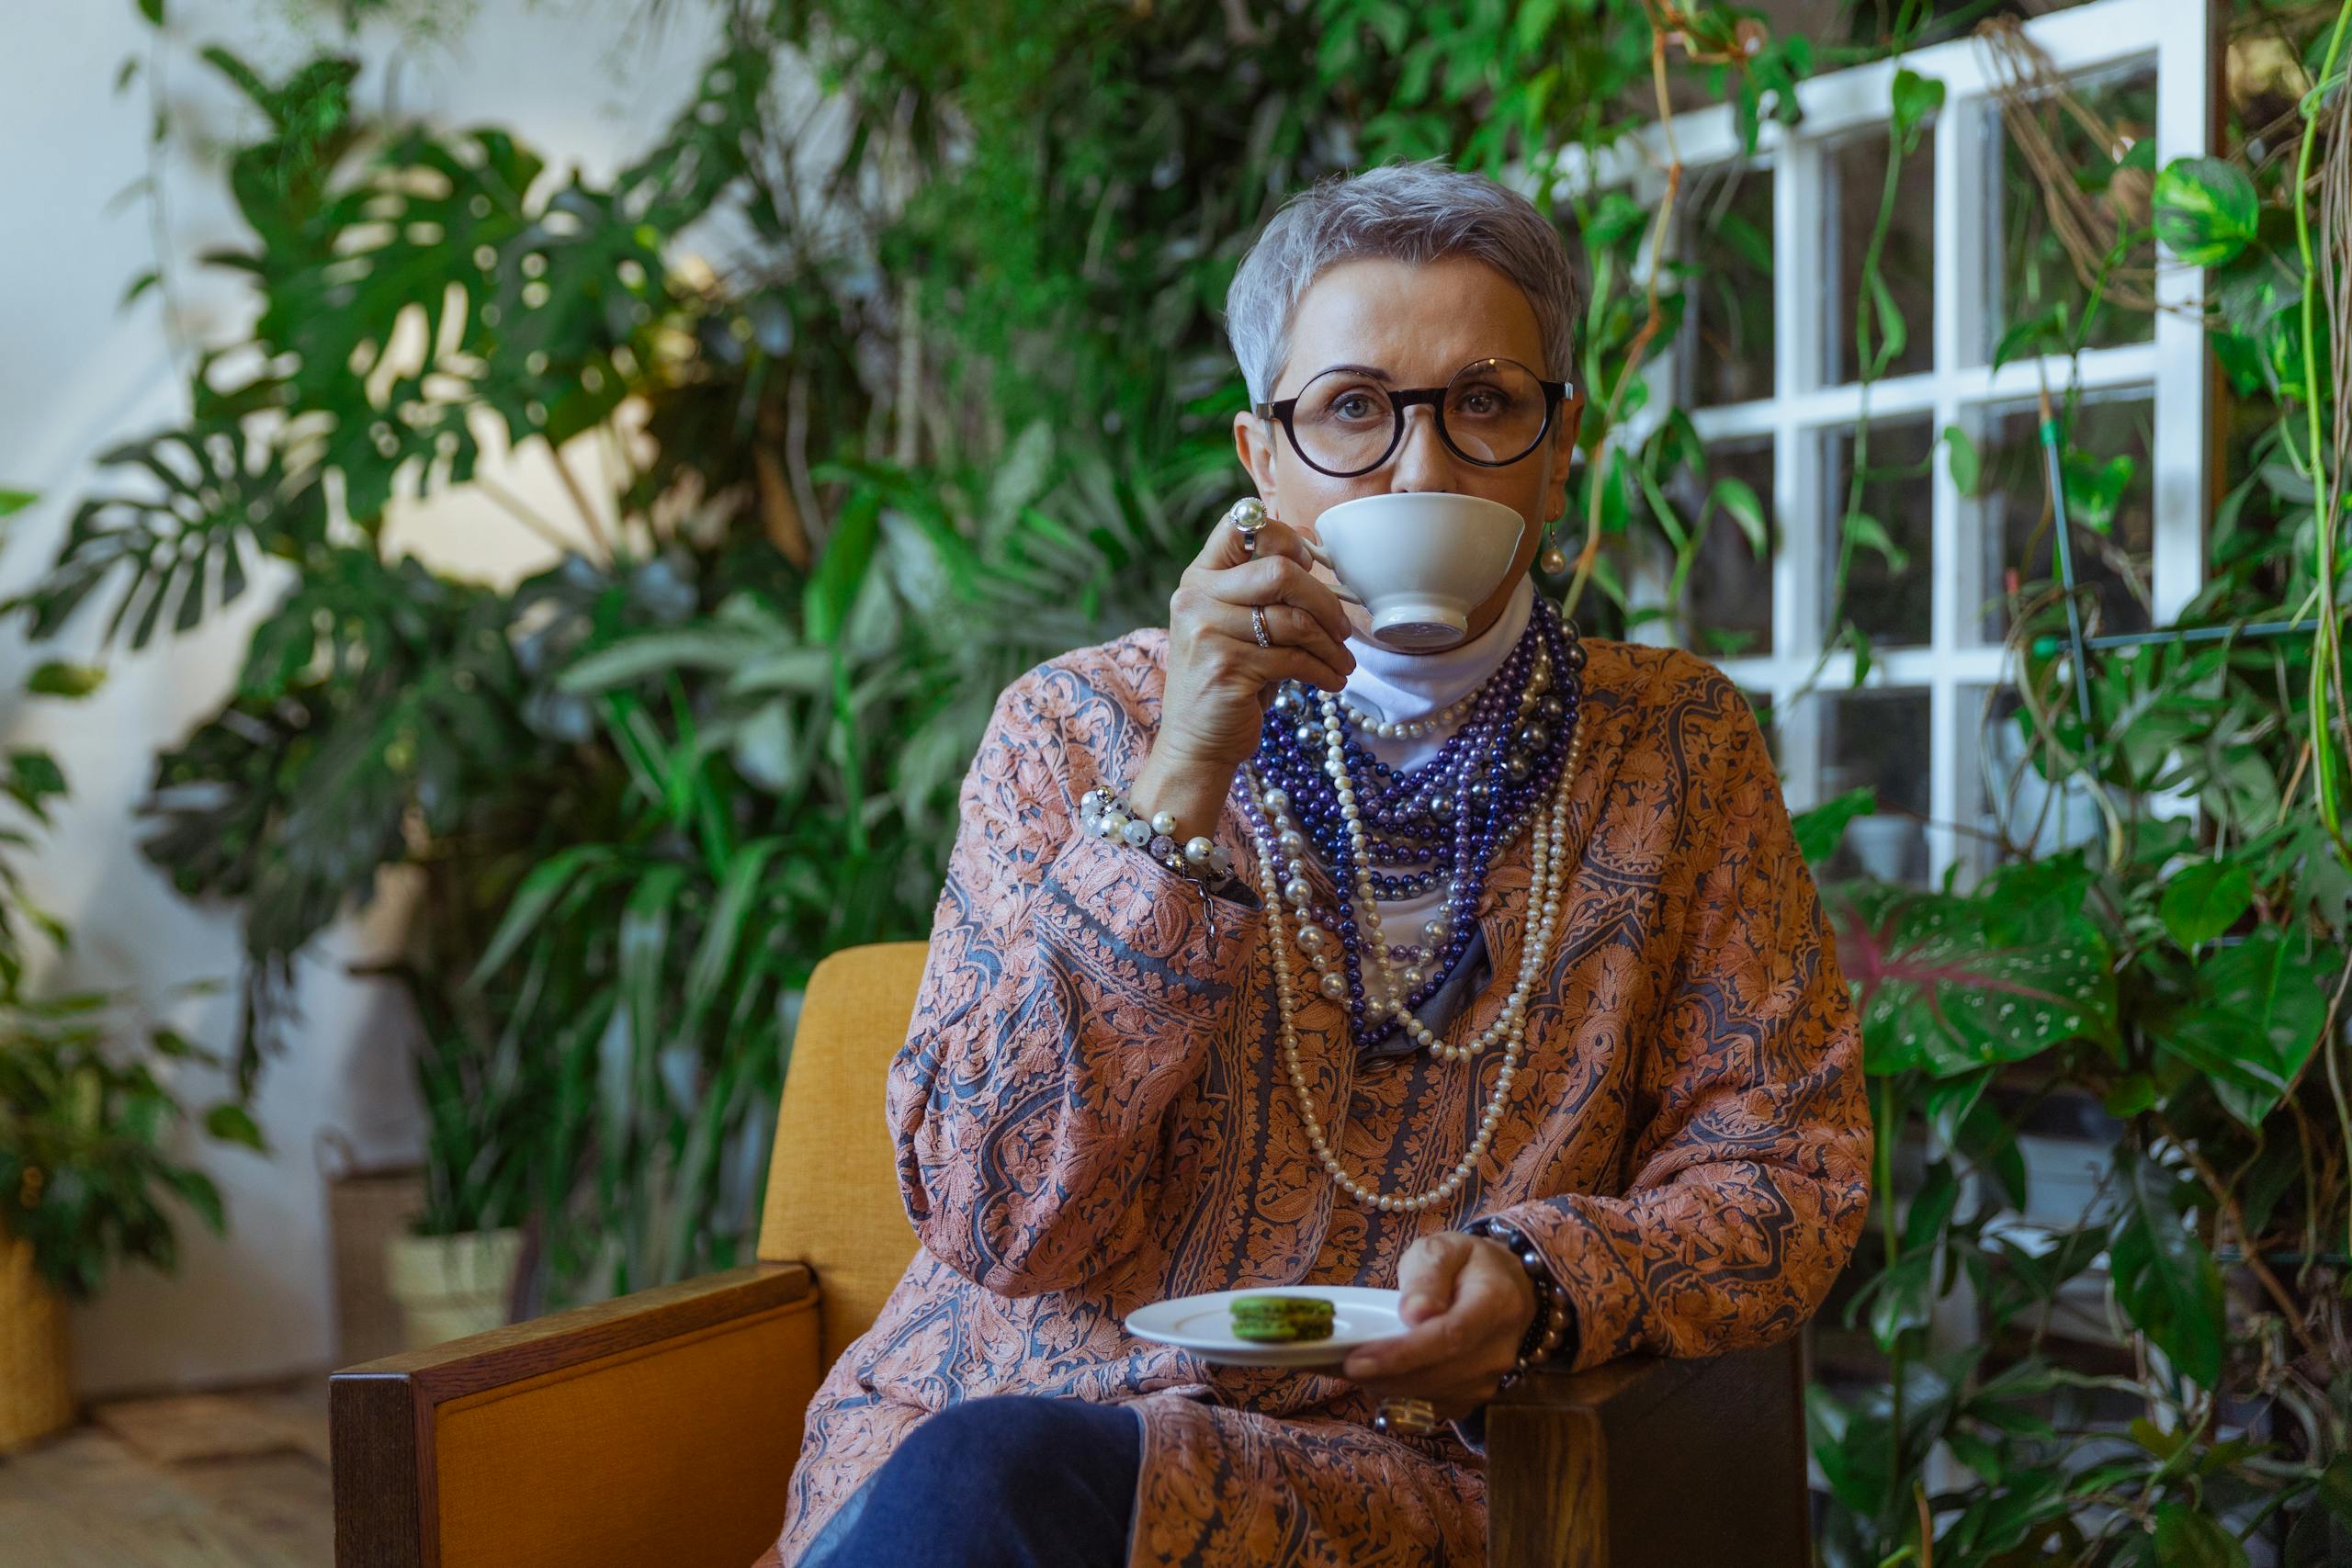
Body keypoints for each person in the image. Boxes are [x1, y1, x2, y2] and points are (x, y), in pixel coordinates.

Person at [770, 158, 1872, 1568]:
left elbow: (1791, 1171)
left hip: (1387, 1489)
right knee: (992, 1478)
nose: (1421, 468)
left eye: (1482, 403)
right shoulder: (1074, 728)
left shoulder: (1677, 749)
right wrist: (1181, 777)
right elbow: (989, 1206)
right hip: (999, 1443)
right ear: (1262, 455)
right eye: (1354, 409)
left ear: (1559, 443)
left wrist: (1542, 1283)